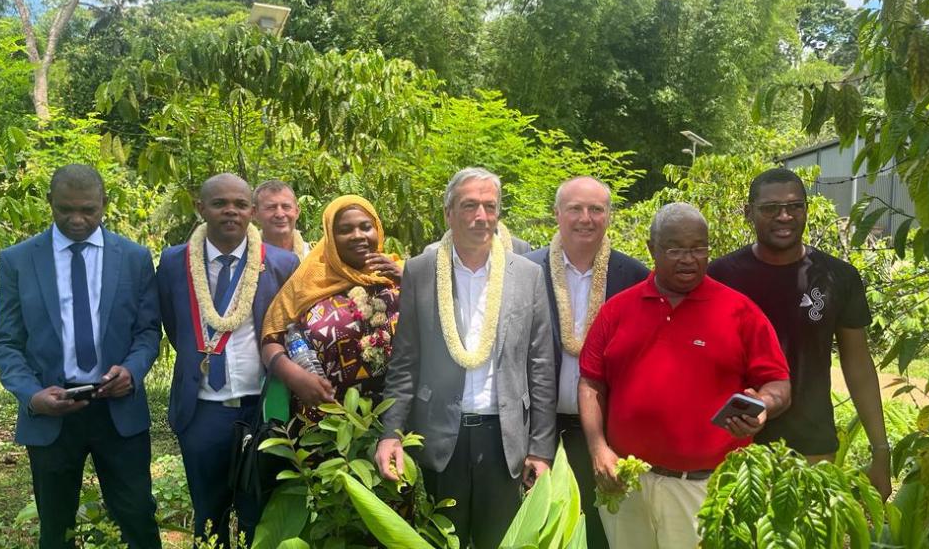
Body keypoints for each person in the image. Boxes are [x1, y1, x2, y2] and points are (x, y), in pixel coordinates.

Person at [578, 202, 791, 549]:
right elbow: (590, 382)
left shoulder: (740, 311)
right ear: (652, 249)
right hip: (628, 484)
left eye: (698, 248)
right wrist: (598, 448)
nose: (688, 259)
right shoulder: (618, 309)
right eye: (674, 249)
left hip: (704, 489)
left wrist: (764, 405)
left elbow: (778, 383)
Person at [375, 167, 556, 549]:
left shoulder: (525, 274)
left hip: (505, 439)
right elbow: (405, 360)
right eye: (470, 205)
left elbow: (540, 365)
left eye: (490, 206)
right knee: (441, 540)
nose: (481, 217)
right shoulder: (421, 271)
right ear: (448, 213)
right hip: (440, 437)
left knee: (501, 541)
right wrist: (391, 433)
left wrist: (540, 448)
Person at [0, 164, 162, 549]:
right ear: (49, 202)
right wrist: (32, 396)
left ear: (105, 203)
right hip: (52, 411)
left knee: (137, 517)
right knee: (55, 527)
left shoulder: (134, 258)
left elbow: (147, 330)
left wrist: (132, 372)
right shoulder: (19, 260)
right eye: (66, 209)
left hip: (118, 411)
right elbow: (6, 342)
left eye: (88, 209)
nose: (77, 219)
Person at [708, 167, 892, 500]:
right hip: (733, 442)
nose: (784, 216)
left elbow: (859, 365)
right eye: (770, 208)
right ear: (749, 212)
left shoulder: (838, 277)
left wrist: (881, 448)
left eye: (795, 206)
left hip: (812, 444)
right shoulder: (720, 276)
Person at [157, 173, 299, 546]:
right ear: (200, 208)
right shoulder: (174, 262)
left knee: (260, 514)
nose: (230, 211)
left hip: (262, 411)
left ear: (252, 211)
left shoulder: (282, 263)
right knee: (209, 515)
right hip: (202, 410)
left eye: (239, 204)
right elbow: (175, 327)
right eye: (220, 203)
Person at [524, 176, 648, 548]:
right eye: (575, 208)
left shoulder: (634, 277)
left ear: (609, 216)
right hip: (536, 428)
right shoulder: (526, 271)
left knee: (599, 533)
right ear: (557, 213)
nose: (585, 218)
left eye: (596, 209)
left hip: (606, 434)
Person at [260, 195, 402, 421]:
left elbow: (439, 323)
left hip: (394, 416)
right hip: (323, 418)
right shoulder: (308, 280)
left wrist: (406, 280)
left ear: (378, 230)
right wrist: (293, 375)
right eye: (345, 229)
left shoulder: (398, 274)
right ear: (330, 236)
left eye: (366, 227)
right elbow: (271, 338)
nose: (358, 236)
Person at [253, 180, 311, 260]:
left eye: (286, 207)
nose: (280, 215)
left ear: (297, 211)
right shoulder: (243, 257)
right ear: (255, 213)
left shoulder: (314, 256)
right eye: (271, 207)